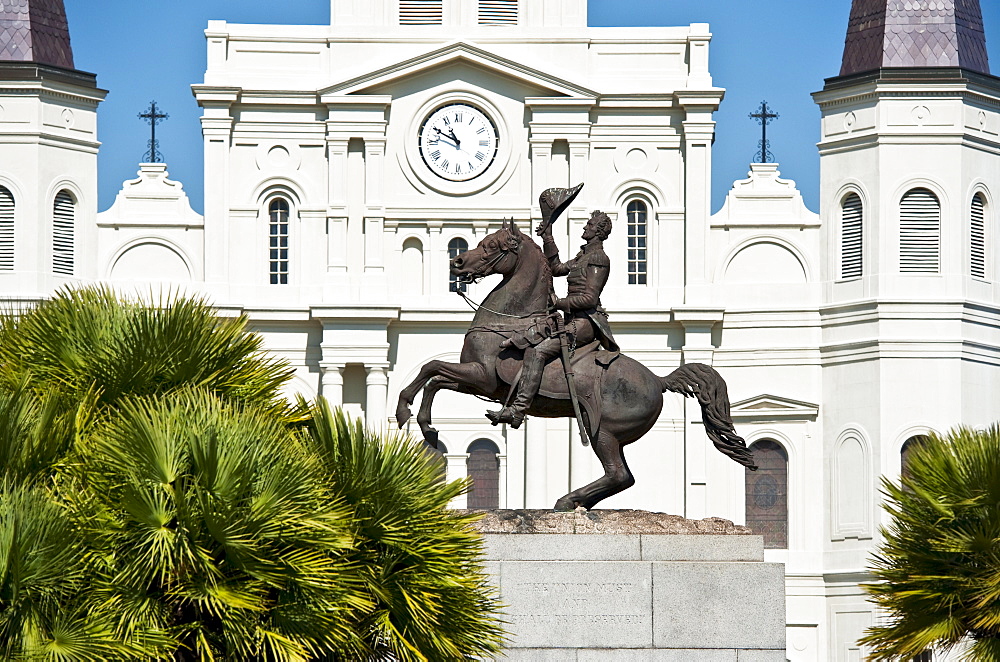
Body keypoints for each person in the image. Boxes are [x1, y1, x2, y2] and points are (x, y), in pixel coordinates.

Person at [487, 209, 619, 429]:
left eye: (590, 225)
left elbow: (589, 298)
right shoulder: (582, 256)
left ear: (599, 232)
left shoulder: (598, 259)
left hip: (586, 322)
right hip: (570, 319)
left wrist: (559, 303)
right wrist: (548, 236)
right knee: (533, 330)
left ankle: (518, 410)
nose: (586, 227)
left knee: (538, 351)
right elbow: (556, 268)